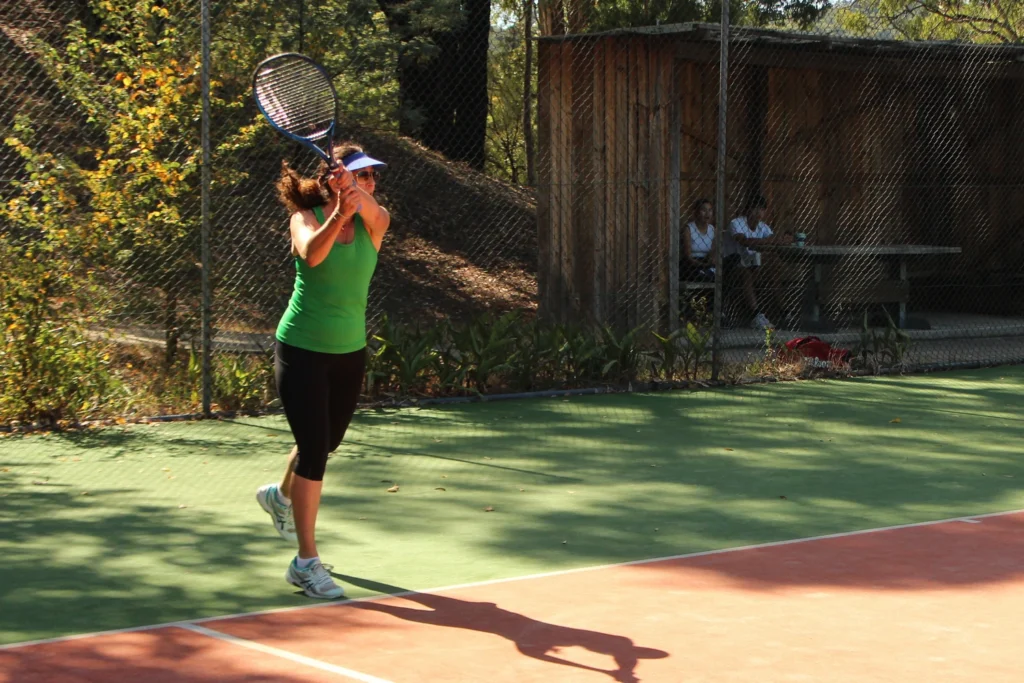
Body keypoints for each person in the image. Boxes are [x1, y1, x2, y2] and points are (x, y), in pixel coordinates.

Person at [256, 142, 390, 599]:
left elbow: (374, 211)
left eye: (371, 177)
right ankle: (305, 562)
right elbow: (312, 255)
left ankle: (279, 496)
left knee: (325, 443)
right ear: (334, 179)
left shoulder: (376, 221)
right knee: (314, 451)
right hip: (301, 349)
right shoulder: (305, 218)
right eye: (360, 175)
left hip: (349, 352)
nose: (369, 183)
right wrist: (337, 211)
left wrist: (354, 195)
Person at [721, 194, 792, 330]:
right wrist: (770, 241)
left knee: (774, 268)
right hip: (732, 264)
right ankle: (756, 316)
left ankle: (785, 312)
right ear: (748, 210)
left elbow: (774, 240)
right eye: (755, 209)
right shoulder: (736, 223)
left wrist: (782, 240)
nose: (758, 213)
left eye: (762, 209)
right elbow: (745, 241)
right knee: (746, 272)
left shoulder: (762, 226)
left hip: (754, 264)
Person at [681, 198, 715, 282]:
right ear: (696, 212)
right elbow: (688, 256)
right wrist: (703, 265)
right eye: (703, 210)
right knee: (700, 274)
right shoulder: (689, 229)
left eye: (710, 210)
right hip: (693, 263)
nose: (707, 214)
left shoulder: (712, 229)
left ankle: (708, 273)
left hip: (707, 261)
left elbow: (714, 251)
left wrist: (711, 260)